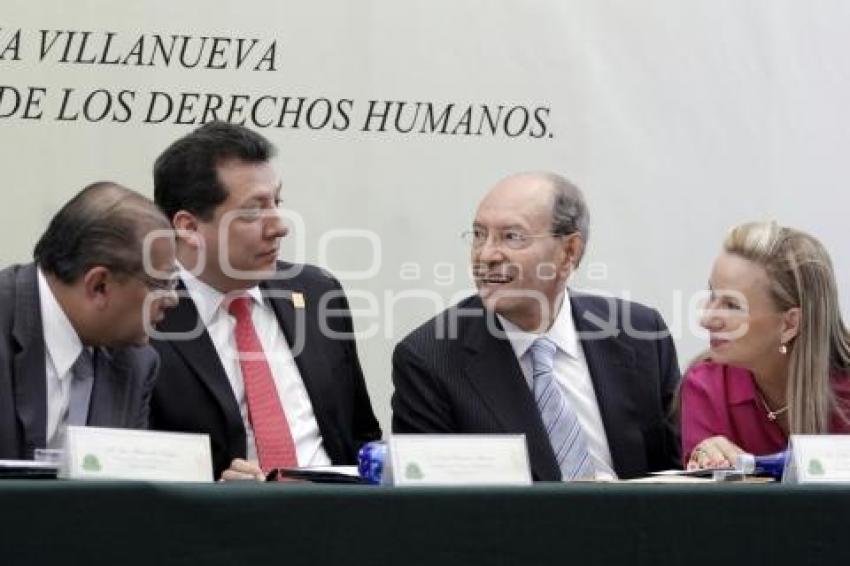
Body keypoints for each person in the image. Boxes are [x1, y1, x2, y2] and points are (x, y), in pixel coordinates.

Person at [391, 172, 681, 480]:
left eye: (512, 236)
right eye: (478, 234)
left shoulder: (640, 333)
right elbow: (430, 507)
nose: (486, 255)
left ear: (568, 252)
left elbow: (679, 466)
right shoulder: (430, 359)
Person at [149, 121, 381, 480]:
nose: (280, 226)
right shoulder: (145, 318)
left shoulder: (318, 293)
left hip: (337, 519)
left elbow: (361, 436)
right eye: (254, 211)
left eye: (278, 201)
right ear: (188, 227)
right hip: (219, 527)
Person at [0, 182, 178, 459]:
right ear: (99, 286)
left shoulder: (138, 363)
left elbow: (125, 488)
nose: (172, 299)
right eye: (161, 283)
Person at [681, 221, 850, 469]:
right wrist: (707, 458)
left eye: (732, 306)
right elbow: (706, 505)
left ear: (790, 324)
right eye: (712, 296)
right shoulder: (707, 386)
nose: (706, 319)